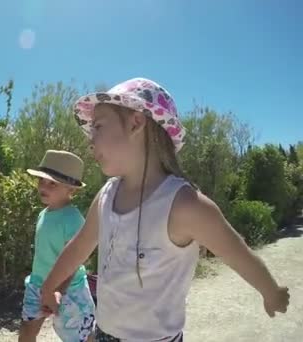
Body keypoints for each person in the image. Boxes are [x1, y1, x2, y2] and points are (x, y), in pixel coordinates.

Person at [38, 78, 290, 341]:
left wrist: (271, 291)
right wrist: (49, 286)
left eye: (98, 127)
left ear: (136, 123)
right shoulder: (106, 195)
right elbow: (79, 247)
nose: (91, 140)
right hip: (104, 333)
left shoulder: (184, 204)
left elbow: (237, 252)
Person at [19, 149, 96, 342]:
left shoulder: (73, 220)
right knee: (27, 331)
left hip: (70, 290)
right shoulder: (43, 214)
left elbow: (74, 262)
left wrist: (57, 291)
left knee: (81, 336)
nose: (43, 187)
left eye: (52, 183)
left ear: (71, 190)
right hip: (38, 284)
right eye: (41, 181)